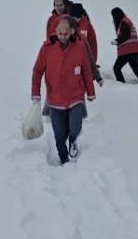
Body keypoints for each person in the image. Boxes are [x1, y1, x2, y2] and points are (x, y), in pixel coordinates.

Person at [31, 16, 97, 165]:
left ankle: (73, 142)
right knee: (59, 134)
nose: (63, 36)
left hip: (76, 96)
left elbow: (86, 70)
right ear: (55, 32)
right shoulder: (47, 48)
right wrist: (35, 93)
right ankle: (63, 159)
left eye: (66, 33)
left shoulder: (79, 47)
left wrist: (90, 91)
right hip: (55, 99)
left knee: (75, 126)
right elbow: (37, 71)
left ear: (72, 31)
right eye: (60, 33)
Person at [68, 1, 103, 86]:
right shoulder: (69, 22)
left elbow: (84, 42)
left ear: (81, 16)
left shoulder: (85, 24)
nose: (75, 19)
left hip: (87, 55)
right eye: (73, 17)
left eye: (77, 17)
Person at [110, 7, 138, 85]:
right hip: (134, 49)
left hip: (127, 51)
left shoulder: (123, 22)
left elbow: (125, 35)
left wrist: (117, 41)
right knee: (136, 70)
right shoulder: (126, 20)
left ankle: (121, 84)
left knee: (116, 68)